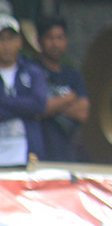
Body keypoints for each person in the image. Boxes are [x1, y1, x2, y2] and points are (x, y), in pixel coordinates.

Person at [34, 16, 90, 162]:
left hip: (66, 153)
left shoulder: (73, 76)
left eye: (60, 38)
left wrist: (50, 104)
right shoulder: (32, 71)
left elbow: (82, 113)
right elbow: (36, 108)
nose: (55, 43)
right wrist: (68, 99)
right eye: (50, 38)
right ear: (39, 41)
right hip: (37, 152)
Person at [0, 13, 47, 167]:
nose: (5, 45)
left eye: (10, 38)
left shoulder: (33, 72)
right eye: (1, 39)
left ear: (20, 41)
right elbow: (30, 105)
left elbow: (38, 104)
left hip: (27, 154)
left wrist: (4, 103)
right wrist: (22, 106)